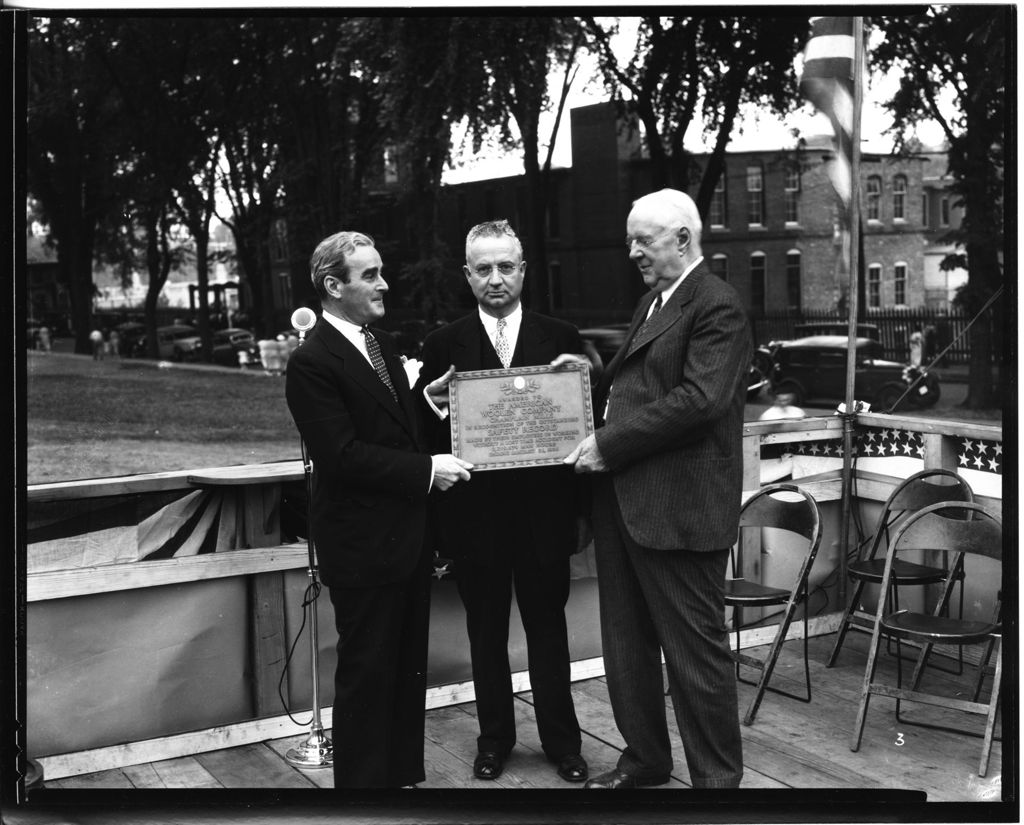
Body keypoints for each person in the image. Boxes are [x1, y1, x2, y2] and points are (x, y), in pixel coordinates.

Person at [564, 189, 750, 790]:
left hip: (678, 510)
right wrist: (588, 376)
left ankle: (717, 786)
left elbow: (701, 400)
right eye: (629, 240)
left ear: (683, 239)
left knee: (696, 657)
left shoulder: (717, 304)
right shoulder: (654, 300)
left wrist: (608, 445)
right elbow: (640, 389)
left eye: (643, 240)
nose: (633, 251)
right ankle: (645, 759)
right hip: (626, 503)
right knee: (626, 647)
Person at [285, 230, 473, 788]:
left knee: (406, 667)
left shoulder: (381, 344)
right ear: (332, 285)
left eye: (380, 271)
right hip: (363, 548)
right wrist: (427, 470)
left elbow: (390, 425)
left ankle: (400, 782)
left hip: (406, 541)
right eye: (369, 275)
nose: (383, 283)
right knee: (368, 674)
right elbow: (340, 456)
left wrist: (428, 401)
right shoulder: (312, 362)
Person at [414, 220, 589, 784]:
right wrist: (433, 404)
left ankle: (564, 744)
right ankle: (494, 742)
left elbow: (587, 420)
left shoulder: (561, 335)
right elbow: (425, 435)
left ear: (523, 270)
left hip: (544, 517)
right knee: (485, 637)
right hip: (476, 522)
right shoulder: (444, 344)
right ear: (467, 276)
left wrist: (589, 382)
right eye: (483, 269)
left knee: (549, 634)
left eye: (505, 267)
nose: (495, 278)